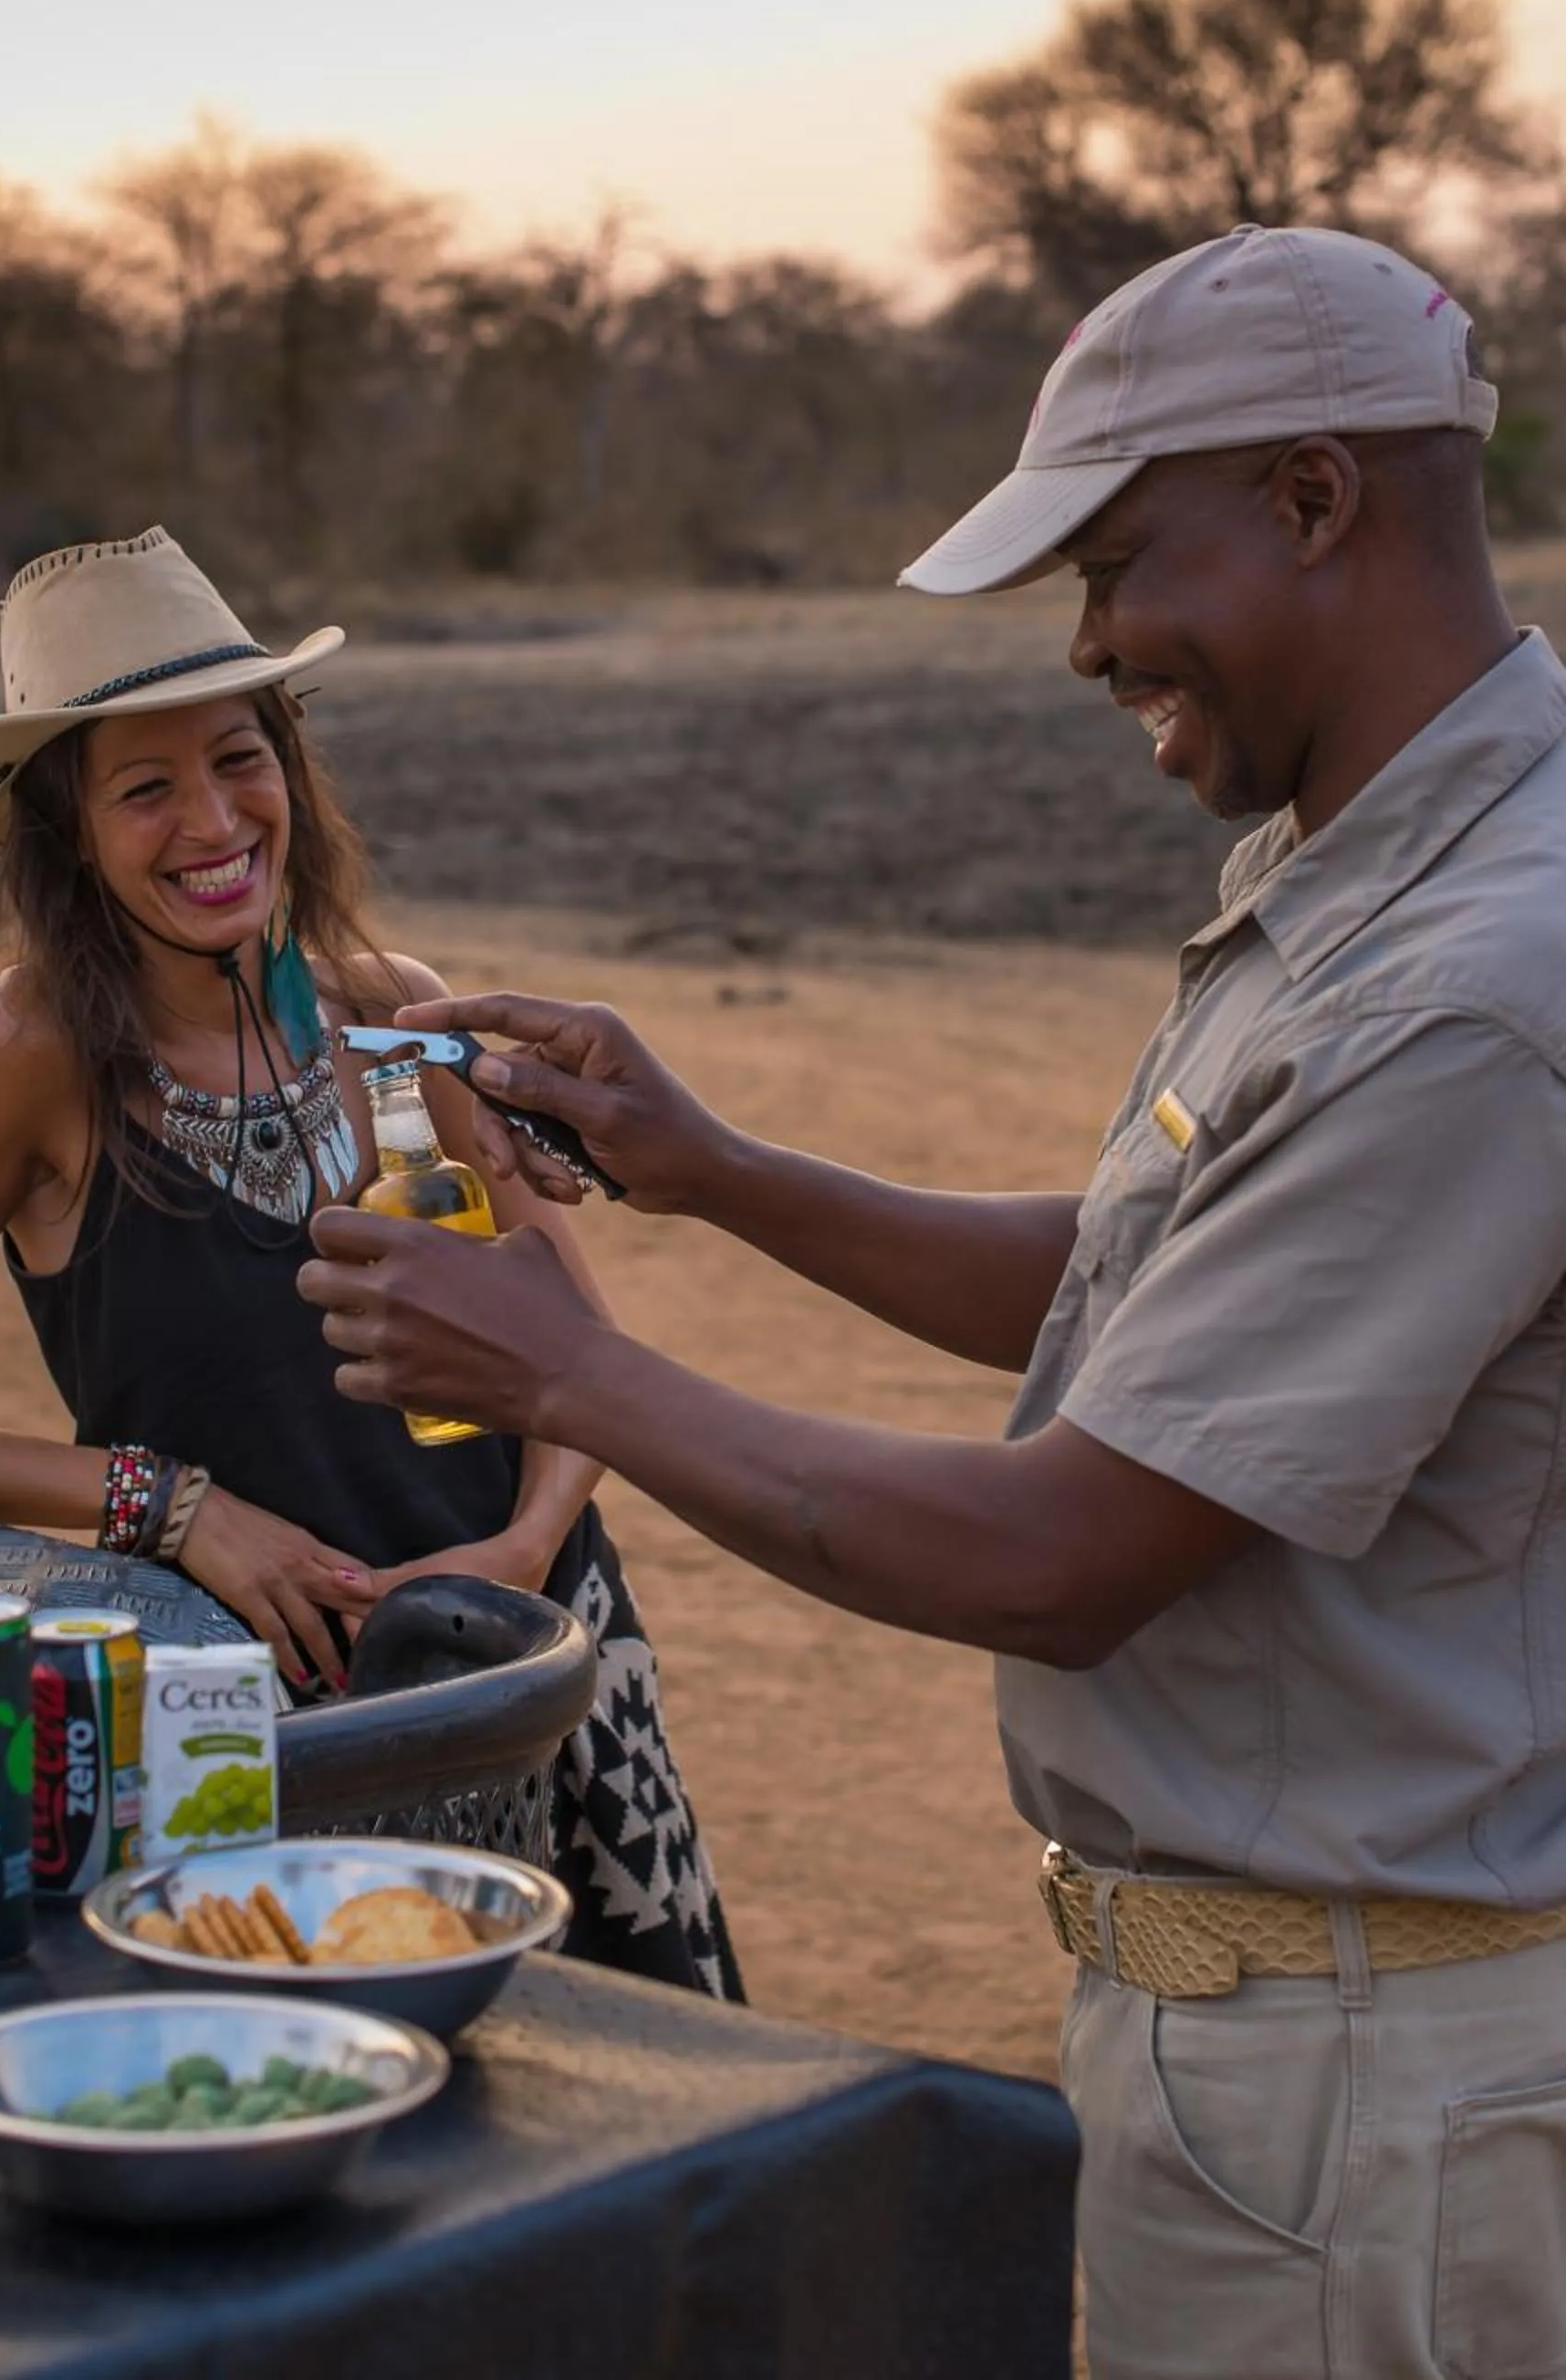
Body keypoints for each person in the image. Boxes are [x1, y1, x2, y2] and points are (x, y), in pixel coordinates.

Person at [299, 226, 1566, 2376]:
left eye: (1107, 565)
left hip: (1373, 2092)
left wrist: (577, 1373)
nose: (1084, 645)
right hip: (1311, 2038)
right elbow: (1148, 1294)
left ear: (1312, 501)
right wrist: (719, 1173)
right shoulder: (1375, 877)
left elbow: (1066, 1553)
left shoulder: (1461, 985)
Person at [0, 524, 738, 2000]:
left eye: (240, 760)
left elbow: (572, 1354)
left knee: (639, 2091)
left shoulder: (390, 1012)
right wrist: (173, 1509)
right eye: (144, 787)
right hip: (255, 1719)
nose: (211, 820)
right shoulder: (25, 1058)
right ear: (68, 833)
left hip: (546, 1671)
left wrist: (513, 1559)